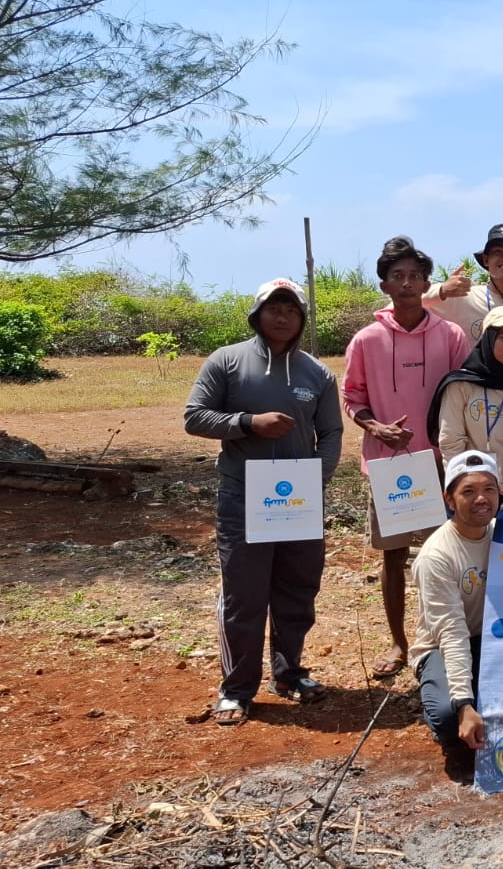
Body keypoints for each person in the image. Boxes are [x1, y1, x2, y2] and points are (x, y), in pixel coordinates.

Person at [183, 278, 343, 726]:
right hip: (243, 496)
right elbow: (194, 417)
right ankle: (236, 689)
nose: (283, 317)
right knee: (245, 594)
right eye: (274, 308)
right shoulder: (227, 361)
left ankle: (289, 675)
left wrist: (316, 477)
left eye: (292, 310)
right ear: (257, 314)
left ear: (302, 319)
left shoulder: (317, 374)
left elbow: (331, 432)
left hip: (299, 500)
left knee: (297, 590)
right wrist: (248, 423)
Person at [342, 236, 472, 680]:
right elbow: (352, 396)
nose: (407, 283)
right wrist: (375, 427)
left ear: (426, 283)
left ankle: (443, 639)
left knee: (447, 556)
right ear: (384, 285)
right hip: (390, 464)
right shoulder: (366, 340)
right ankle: (399, 643)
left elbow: (463, 391)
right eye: (397, 276)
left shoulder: (451, 335)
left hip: (441, 464)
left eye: (415, 275)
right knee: (394, 557)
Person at [410, 449, 501, 774]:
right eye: (468, 491)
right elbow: (451, 632)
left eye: (489, 489)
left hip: (492, 642)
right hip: (442, 647)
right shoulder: (436, 556)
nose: (481, 499)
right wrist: (463, 703)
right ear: (449, 499)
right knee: (449, 716)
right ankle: (443, 703)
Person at [427, 305, 503, 507]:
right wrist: (466, 489)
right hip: (475, 494)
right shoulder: (460, 385)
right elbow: (451, 442)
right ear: (488, 337)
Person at [423, 223, 503, 372]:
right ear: (486, 260)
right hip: (466, 386)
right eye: (499, 252)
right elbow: (405, 305)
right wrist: (441, 290)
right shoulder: (462, 297)